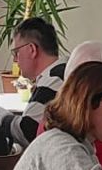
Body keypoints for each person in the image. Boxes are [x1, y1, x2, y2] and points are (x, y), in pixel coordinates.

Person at [6, 16, 65, 148]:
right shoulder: (62, 71)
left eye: (16, 53)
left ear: (32, 49)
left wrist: (1, 118)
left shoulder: (55, 79)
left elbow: (28, 132)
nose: (15, 60)